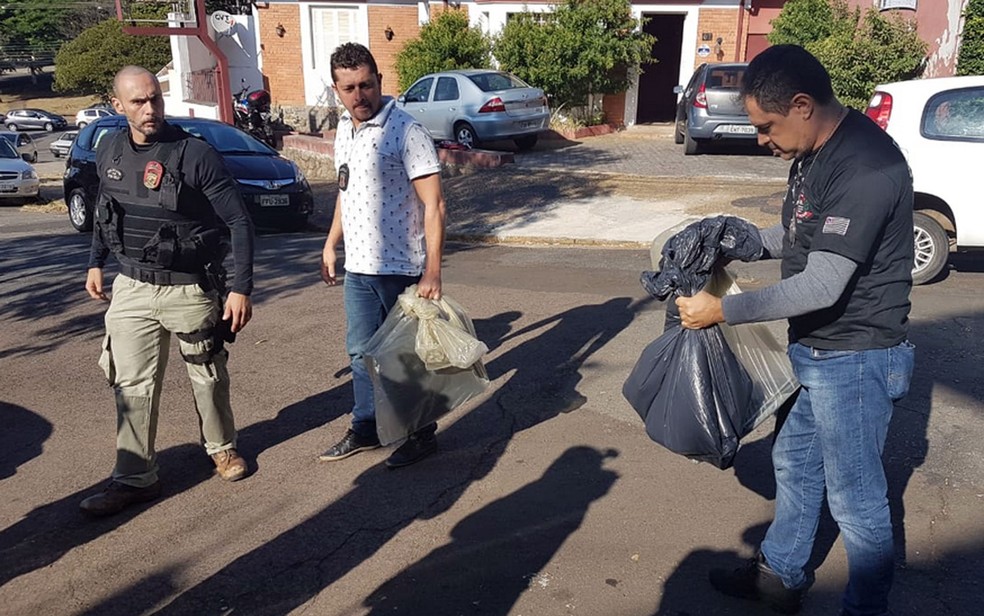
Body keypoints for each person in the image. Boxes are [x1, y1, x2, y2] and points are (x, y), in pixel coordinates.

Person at [675, 45, 916, 616]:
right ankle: (780, 577)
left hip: (856, 356)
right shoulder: (812, 153)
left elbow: (823, 284)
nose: (761, 139)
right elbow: (802, 236)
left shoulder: (866, 167)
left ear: (802, 106)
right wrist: (740, 241)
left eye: (766, 126)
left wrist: (722, 310)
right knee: (795, 463)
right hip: (815, 349)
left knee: (856, 501)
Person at [80, 66, 255, 516]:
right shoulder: (109, 149)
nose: (150, 108)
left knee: (208, 375)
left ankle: (222, 449)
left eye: (155, 98)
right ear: (117, 105)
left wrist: (241, 288)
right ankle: (135, 478)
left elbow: (238, 221)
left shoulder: (194, 154)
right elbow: (105, 210)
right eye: (138, 101)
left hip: (189, 288)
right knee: (130, 385)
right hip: (132, 287)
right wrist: (96, 262)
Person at [318, 43, 447, 468]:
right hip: (358, 267)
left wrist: (432, 271)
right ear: (336, 90)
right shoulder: (344, 129)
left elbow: (434, 204)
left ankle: (420, 434)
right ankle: (366, 427)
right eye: (349, 88)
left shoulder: (407, 132)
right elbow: (345, 190)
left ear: (380, 81)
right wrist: (331, 243)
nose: (360, 96)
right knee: (360, 352)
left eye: (367, 85)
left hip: (401, 268)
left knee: (404, 357)